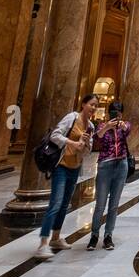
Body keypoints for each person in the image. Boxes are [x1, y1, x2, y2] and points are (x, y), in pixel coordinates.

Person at [36, 93, 97, 260]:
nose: (93, 108)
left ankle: (55, 238)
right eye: (91, 104)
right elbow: (55, 135)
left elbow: (87, 150)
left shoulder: (90, 126)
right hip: (61, 166)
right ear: (83, 104)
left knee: (64, 204)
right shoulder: (72, 117)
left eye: (95, 106)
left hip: (75, 167)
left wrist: (84, 144)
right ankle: (43, 244)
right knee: (55, 204)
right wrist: (72, 143)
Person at [87, 100, 131, 250]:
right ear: (108, 113)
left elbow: (128, 131)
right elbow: (97, 138)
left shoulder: (125, 126)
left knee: (114, 204)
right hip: (105, 165)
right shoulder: (101, 126)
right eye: (113, 113)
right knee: (100, 203)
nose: (116, 117)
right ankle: (94, 235)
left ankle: (108, 235)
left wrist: (122, 126)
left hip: (121, 165)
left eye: (118, 114)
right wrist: (107, 127)